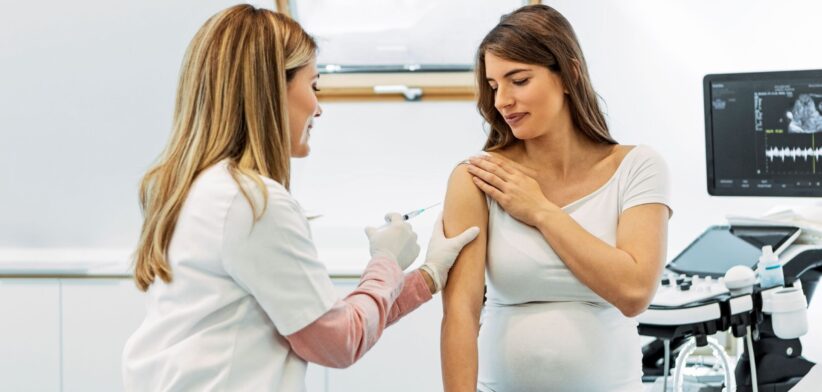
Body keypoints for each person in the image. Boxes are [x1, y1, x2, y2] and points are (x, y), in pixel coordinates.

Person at [121, 5, 478, 391]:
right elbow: (338, 340)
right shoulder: (252, 202)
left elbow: (317, 323)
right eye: (314, 86)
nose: (319, 108)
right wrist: (386, 261)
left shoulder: (197, 189)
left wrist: (428, 275)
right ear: (272, 90)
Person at [439, 5, 672, 392]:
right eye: (494, 86)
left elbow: (633, 292)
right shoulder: (477, 178)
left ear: (569, 74)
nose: (502, 101)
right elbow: (460, 312)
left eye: (518, 80)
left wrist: (540, 211)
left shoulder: (638, 167)